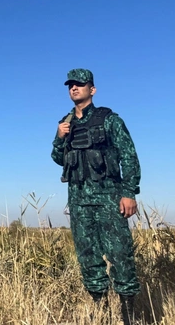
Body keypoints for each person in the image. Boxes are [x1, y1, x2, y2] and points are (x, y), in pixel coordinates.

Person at [51, 69, 142, 325]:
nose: (74, 89)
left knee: (120, 255)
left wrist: (128, 192)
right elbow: (59, 159)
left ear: (92, 90)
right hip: (79, 201)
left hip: (109, 198)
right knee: (88, 257)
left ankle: (128, 317)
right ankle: (100, 313)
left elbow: (129, 156)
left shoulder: (110, 120)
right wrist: (59, 139)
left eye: (80, 85)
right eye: (70, 85)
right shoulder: (66, 123)